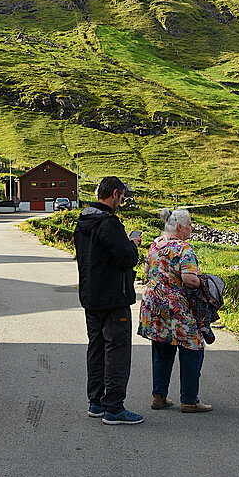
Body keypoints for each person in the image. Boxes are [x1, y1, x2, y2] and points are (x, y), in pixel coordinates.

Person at [74, 176, 144, 425]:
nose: (122, 202)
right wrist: (132, 245)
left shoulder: (82, 223)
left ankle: (96, 402)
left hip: (90, 296)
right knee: (117, 350)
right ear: (114, 194)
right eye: (122, 197)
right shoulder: (109, 223)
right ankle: (114, 407)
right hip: (114, 298)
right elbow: (126, 258)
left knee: (96, 347)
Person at [138, 207, 212, 413]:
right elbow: (189, 280)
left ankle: (159, 397)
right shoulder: (183, 248)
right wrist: (204, 283)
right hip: (177, 308)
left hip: (153, 306)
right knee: (193, 348)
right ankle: (189, 400)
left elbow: (146, 271)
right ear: (179, 227)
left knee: (162, 349)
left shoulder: (155, 244)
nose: (191, 228)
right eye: (189, 225)